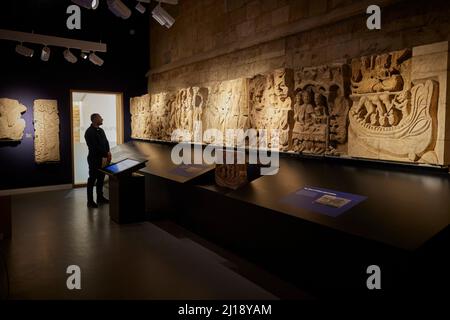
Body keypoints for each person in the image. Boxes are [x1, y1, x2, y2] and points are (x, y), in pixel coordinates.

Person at [84, 113, 111, 208]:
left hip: (102, 159)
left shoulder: (101, 130)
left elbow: (106, 142)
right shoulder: (89, 132)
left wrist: (108, 152)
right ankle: (90, 201)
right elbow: (94, 147)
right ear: (95, 119)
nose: (102, 119)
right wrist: (105, 154)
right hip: (94, 159)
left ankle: (100, 197)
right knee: (92, 179)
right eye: (100, 118)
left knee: (101, 179)